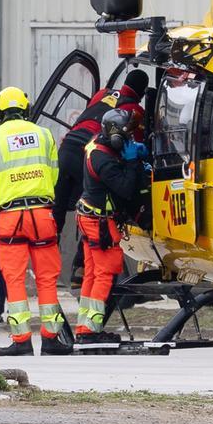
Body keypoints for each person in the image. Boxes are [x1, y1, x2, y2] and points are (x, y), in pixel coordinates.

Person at [0, 86, 70, 358]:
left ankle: (21, 340)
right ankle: (50, 339)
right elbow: (54, 173)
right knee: (47, 279)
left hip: (10, 216)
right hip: (42, 213)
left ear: (0, 112)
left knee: (13, 279)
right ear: (26, 109)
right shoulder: (43, 134)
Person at [53, 69, 149, 283]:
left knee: (57, 209)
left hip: (67, 147)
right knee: (93, 204)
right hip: (90, 152)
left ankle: (48, 258)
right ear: (142, 93)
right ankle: (80, 265)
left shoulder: (103, 93)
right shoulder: (135, 111)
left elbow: (90, 114)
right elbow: (133, 143)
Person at [74, 108, 149, 343]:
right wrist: (133, 162)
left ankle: (84, 327)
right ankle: (90, 330)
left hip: (90, 217)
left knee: (92, 274)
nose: (131, 139)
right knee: (105, 275)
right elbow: (126, 189)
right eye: (128, 135)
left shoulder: (97, 145)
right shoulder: (104, 160)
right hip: (100, 222)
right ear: (116, 136)